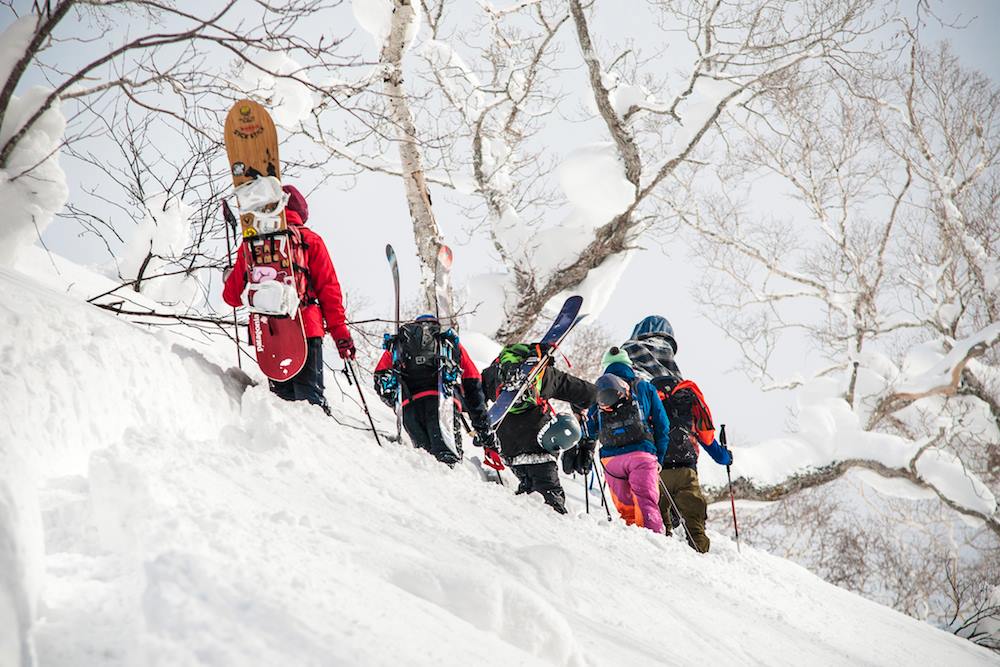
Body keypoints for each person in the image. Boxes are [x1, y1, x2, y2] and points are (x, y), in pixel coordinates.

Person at [223, 184, 354, 410]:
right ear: (301, 214)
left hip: (269, 335)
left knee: (282, 405)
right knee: (310, 405)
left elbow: (232, 298)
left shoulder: (253, 244)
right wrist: (340, 335)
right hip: (306, 329)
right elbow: (329, 291)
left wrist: (230, 276)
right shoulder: (310, 239)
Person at [622, 315, 732, 552]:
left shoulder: (635, 384)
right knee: (694, 524)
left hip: (651, 467)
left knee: (658, 532)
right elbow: (706, 433)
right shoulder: (685, 388)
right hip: (685, 467)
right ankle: (701, 562)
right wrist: (723, 456)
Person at [481, 344, 595, 514]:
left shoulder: (492, 373)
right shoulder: (543, 374)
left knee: (527, 497)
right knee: (549, 501)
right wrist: (579, 410)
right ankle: (554, 531)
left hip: (508, 448)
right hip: (541, 442)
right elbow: (590, 394)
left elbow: (471, 400)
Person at [373, 315, 494, 467]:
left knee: (425, 464)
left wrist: (397, 402)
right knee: (449, 462)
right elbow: (472, 383)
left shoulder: (400, 344)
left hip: (410, 408)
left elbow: (380, 381)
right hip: (443, 404)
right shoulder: (447, 342)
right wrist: (481, 426)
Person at [583, 347, 670, 532]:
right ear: (629, 365)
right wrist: (659, 457)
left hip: (611, 460)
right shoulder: (645, 387)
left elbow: (590, 429)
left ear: (606, 367)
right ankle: (655, 551)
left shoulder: (597, 391)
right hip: (641, 454)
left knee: (626, 513)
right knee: (646, 505)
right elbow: (662, 425)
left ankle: (632, 551)